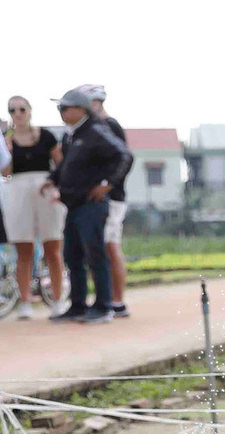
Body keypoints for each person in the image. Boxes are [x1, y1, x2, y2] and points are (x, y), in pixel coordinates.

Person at [48, 85, 131, 323]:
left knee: (96, 253)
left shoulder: (97, 130)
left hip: (92, 203)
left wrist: (107, 183)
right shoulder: (71, 134)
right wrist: (51, 180)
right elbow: (66, 166)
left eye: (64, 108)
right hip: (73, 204)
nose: (61, 112)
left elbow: (124, 155)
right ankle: (78, 305)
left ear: (80, 109)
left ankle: (104, 306)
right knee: (72, 255)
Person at [2, 94, 65, 318]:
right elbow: (6, 173)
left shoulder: (46, 136)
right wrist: (6, 149)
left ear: (29, 110)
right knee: (23, 250)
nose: (17, 114)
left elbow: (60, 164)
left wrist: (55, 185)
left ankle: (58, 300)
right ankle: (25, 302)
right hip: (18, 189)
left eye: (21, 109)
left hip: (45, 188)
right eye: (12, 110)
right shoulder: (6, 140)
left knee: (53, 247)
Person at [85, 88, 132, 318]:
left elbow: (124, 158)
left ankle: (117, 301)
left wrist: (108, 185)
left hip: (112, 199)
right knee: (99, 247)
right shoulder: (89, 129)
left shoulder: (109, 125)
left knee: (109, 246)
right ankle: (105, 299)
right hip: (94, 199)